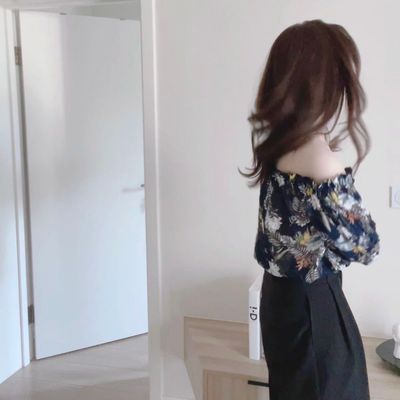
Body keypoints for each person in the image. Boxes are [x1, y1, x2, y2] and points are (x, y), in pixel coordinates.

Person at [239, 19, 381, 400]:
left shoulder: (277, 147)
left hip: (280, 306)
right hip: (314, 314)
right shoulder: (320, 160)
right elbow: (366, 245)